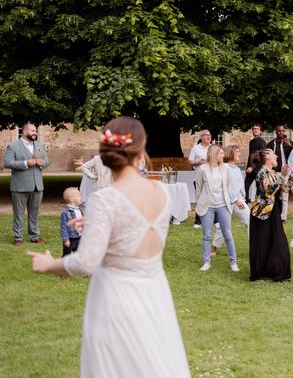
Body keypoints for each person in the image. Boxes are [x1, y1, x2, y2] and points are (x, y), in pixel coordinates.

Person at [27, 116, 190, 377]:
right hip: (154, 293)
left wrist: (49, 265)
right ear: (141, 147)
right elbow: (138, 229)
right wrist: (95, 224)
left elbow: (85, 263)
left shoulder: (105, 199)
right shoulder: (161, 192)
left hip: (116, 296)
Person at [249, 149, 293, 281]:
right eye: (273, 154)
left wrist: (292, 174)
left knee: (278, 242)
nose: (276, 156)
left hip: (274, 211)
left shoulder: (274, 173)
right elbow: (269, 191)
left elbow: (285, 189)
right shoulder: (261, 173)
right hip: (261, 212)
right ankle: (260, 273)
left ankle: (278, 271)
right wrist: (282, 176)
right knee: (262, 243)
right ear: (267, 157)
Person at [4, 123, 49, 246]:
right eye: (32, 130)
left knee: (34, 213)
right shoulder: (13, 146)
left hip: (37, 185)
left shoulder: (39, 145)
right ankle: (18, 238)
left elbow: (46, 161)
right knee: (18, 214)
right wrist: (25, 163)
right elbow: (7, 163)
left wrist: (41, 163)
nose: (35, 132)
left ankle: (35, 236)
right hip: (19, 186)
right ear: (24, 132)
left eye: (36, 130)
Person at [195, 144, 239, 272]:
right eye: (220, 153)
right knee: (206, 235)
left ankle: (233, 262)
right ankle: (206, 262)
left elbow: (228, 185)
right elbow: (198, 188)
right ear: (214, 154)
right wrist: (200, 203)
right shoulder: (203, 169)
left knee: (228, 234)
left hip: (223, 205)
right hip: (208, 206)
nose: (223, 155)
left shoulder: (226, 168)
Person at [211, 145, 249, 257]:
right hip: (226, 201)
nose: (240, 154)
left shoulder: (237, 168)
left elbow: (240, 185)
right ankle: (213, 249)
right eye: (237, 151)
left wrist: (242, 197)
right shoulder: (223, 168)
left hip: (239, 200)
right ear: (231, 153)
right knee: (224, 227)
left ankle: (255, 247)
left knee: (250, 222)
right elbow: (226, 187)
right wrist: (235, 199)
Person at [265, 125, 293, 220]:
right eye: (279, 131)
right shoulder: (270, 144)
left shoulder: (288, 143)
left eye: (282, 131)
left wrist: (290, 145)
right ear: (276, 132)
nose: (281, 132)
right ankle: (273, 214)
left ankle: (283, 217)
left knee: (285, 195)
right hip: (274, 172)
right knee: (273, 194)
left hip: (285, 172)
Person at [188, 129, 213, 228]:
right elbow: (190, 161)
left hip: (212, 177)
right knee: (200, 199)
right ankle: (198, 221)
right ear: (201, 137)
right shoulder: (195, 148)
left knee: (212, 198)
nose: (208, 137)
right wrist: (199, 161)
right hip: (198, 178)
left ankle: (214, 220)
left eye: (209, 135)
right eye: (206, 135)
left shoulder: (213, 148)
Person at [244, 124, 267, 199]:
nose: (255, 130)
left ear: (260, 131)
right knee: (246, 185)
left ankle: (258, 203)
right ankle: (246, 202)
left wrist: (252, 167)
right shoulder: (251, 141)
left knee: (259, 187)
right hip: (251, 168)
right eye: (254, 129)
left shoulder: (262, 142)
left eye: (257, 129)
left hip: (258, 169)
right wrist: (248, 167)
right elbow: (250, 155)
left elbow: (261, 156)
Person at [60, 187, 83, 256]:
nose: (80, 197)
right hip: (71, 238)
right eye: (78, 196)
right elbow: (64, 226)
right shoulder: (66, 212)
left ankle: (77, 265)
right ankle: (63, 265)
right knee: (67, 255)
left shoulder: (79, 210)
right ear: (71, 199)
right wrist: (65, 239)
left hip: (79, 236)